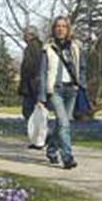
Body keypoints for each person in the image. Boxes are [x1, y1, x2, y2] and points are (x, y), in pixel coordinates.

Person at [39, 16, 86, 169]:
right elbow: (43, 73)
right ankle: (67, 157)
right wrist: (42, 95)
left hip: (71, 89)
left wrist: (81, 85)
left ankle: (52, 149)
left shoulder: (76, 47)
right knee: (64, 124)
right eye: (58, 26)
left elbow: (83, 67)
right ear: (54, 29)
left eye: (64, 26)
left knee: (62, 124)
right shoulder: (47, 48)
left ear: (68, 29)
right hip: (56, 90)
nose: (60, 29)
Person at [18, 25, 43, 120]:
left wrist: (24, 84)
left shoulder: (31, 47)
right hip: (38, 83)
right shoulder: (41, 45)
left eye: (25, 35)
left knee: (28, 111)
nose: (23, 37)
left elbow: (28, 67)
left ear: (29, 35)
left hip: (31, 84)